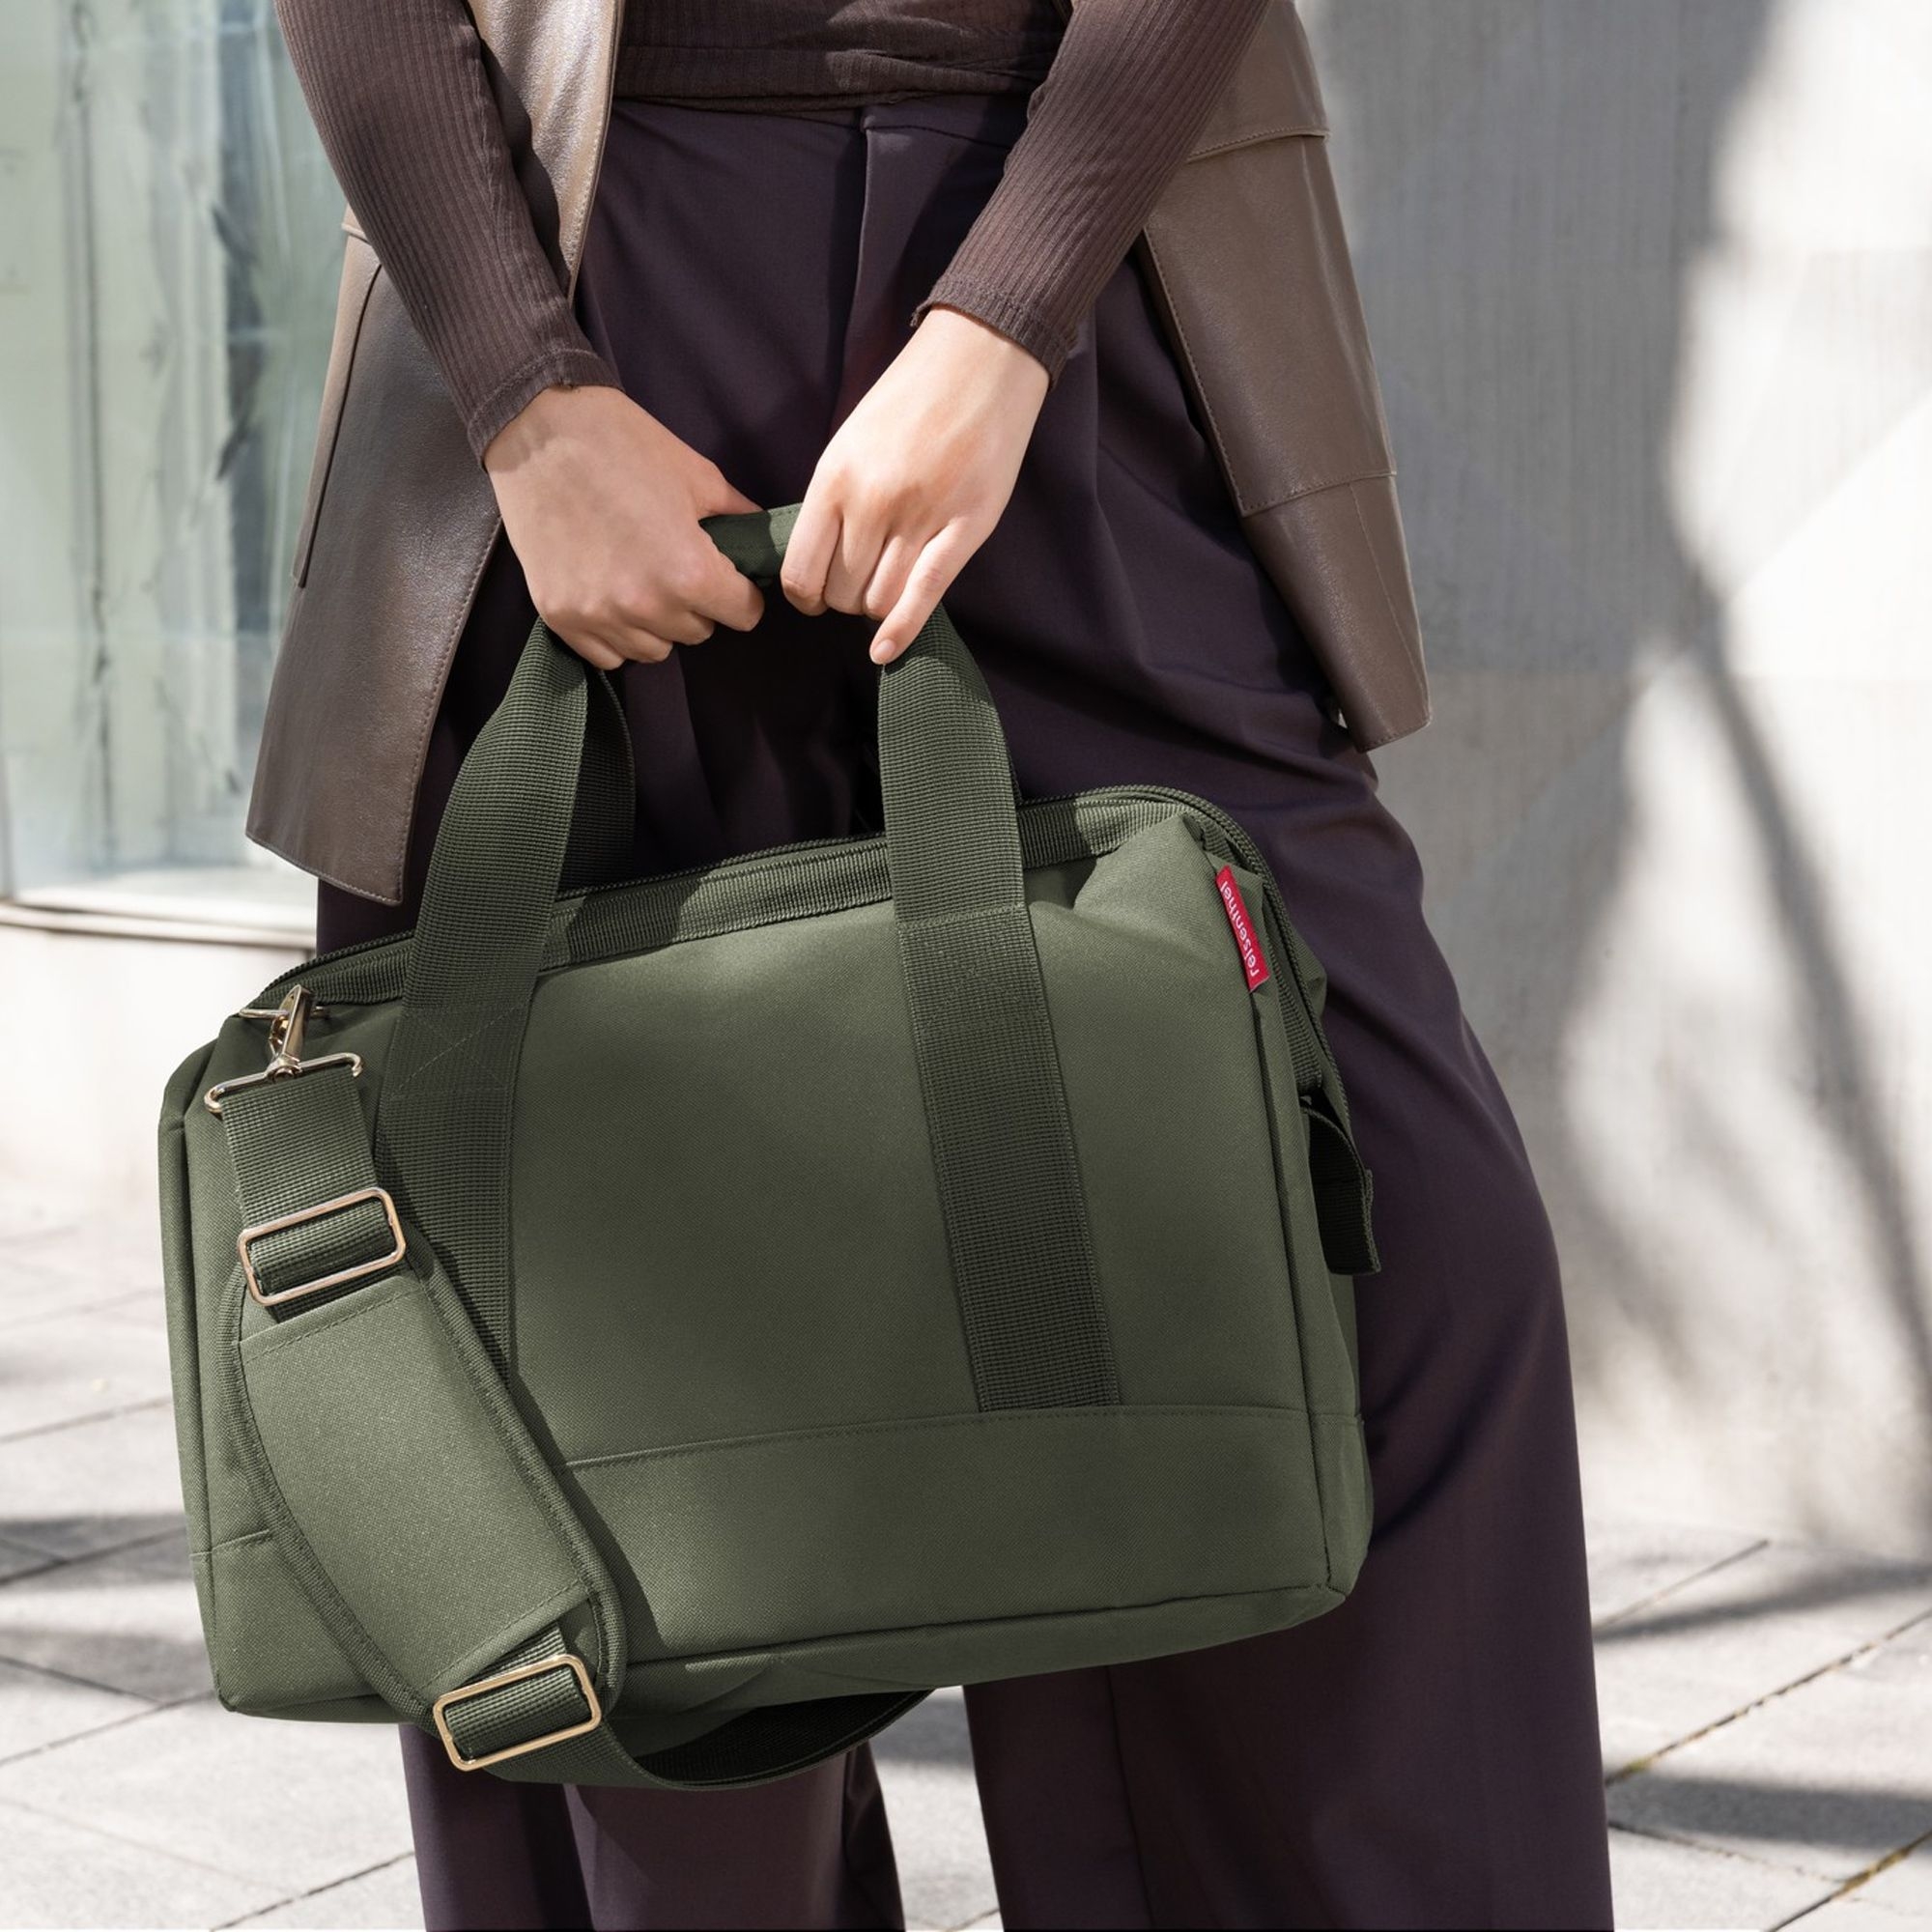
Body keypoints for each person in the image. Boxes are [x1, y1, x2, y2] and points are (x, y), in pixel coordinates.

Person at [270, 2, 1614, 1925]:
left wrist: (1005, 315)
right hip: (573, 295)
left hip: (1084, 289)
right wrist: (522, 392)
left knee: (1389, 1253)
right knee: (602, 1368)